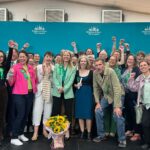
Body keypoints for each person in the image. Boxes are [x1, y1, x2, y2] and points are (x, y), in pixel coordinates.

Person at [93, 58, 126, 148]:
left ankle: (122, 139)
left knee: (117, 114)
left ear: (103, 65)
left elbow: (117, 88)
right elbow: (95, 89)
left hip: (118, 95)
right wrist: (97, 102)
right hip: (107, 96)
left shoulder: (110, 71)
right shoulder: (95, 73)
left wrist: (117, 106)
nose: (98, 67)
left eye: (100, 64)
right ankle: (101, 135)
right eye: (96, 65)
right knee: (98, 111)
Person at [7, 50, 37, 146]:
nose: (22, 58)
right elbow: (11, 82)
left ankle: (20, 133)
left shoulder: (30, 67)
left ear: (27, 58)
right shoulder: (15, 67)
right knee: (20, 114)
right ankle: (14, 137)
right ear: (18, 58)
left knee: (25, 115)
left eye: (24, 56)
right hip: (19, 94)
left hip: (29, 94)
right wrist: (11, 75)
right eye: (20, 56)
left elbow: (34, 80)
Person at [52, 50, 76, 139]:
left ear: (70, 57)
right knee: (55, 111)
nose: (66, 56)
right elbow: (54, 78)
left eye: (68, 55)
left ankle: (66, 131)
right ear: (62, 56)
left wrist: (64, 88)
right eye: (64, 55)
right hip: (57, 91)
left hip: (68, 92)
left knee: (68, 113)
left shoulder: (73, 68)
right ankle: (55, 130)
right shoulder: (57, 66)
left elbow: (71, 81)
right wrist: (59, 87)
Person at [128, 60, 150, 150]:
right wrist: (131, 78)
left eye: (145, 65)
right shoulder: (140, 77)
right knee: (145, 124)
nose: (143, 67)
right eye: (141, 66)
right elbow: (133, 88)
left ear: (149, 66)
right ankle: (148, 143)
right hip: (145, 105)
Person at [32, 52, 53, 141]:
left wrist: (50, 73)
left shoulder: (54, 68)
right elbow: (37, 80)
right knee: (37, 111)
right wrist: (43, 72)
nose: (48, 58)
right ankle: (35, 132)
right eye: (47, 57)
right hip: (40, 90)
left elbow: (54, 81)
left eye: (50, 57)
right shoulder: (38, 67)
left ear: (52, 58)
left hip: (50, 91)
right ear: (44, 57)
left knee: (47, 111)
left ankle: (45, 130)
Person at [74, 55, 94, 140]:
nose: (83, 62)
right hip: (79, 94)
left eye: (84, 61)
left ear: (87, 62)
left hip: (88, 94)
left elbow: (94, 85)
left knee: (88, 113)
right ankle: (82, 132)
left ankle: (89, 133)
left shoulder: (91, 72)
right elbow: (73, 84)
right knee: (80, 113)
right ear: (79, 62)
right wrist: (76, 85)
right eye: (81, 61)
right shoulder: (76, 72)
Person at [0, 42, 13, 146]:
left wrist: (11, 48)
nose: (0, 58)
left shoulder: (5, 67)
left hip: (3, 91)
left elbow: (9, 60)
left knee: (2, 113)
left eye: (1, 56)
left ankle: (1, 133)